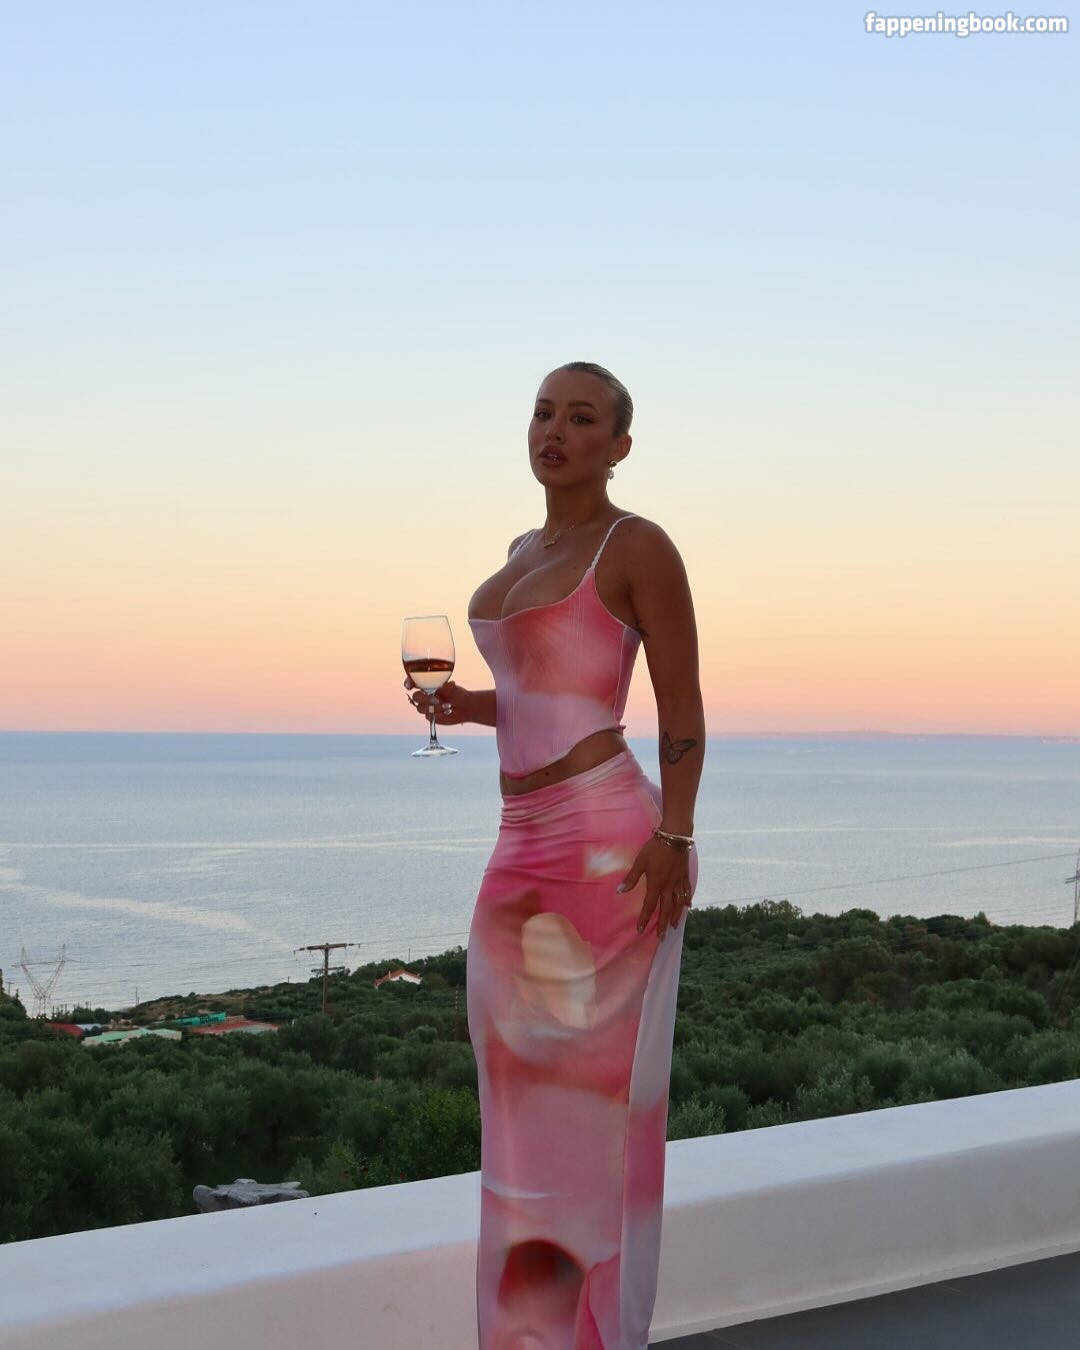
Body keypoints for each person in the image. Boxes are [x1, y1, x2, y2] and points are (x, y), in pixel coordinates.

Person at [406, 361, 705, 1349]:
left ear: (619, 447)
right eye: (542, 412)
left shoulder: (638, 545)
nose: (555, 431)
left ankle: (596, 1332)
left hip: (608, 848)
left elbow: (681, 708)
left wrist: (675, 835)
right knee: (513, 1097)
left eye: (581, 418)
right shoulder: (521, 549)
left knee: (596, 1107)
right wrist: (470, 705)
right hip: (518, 848)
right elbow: (542, 694)